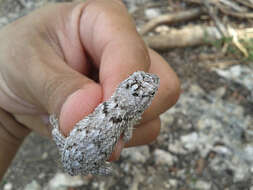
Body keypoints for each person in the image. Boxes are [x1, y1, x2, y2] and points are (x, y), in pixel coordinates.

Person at [0, 0, 180, 180]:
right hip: (79, 150)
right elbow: (127, 133)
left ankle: (69, 144)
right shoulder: (123, 122)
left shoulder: (106, 105)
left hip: (75, 146)